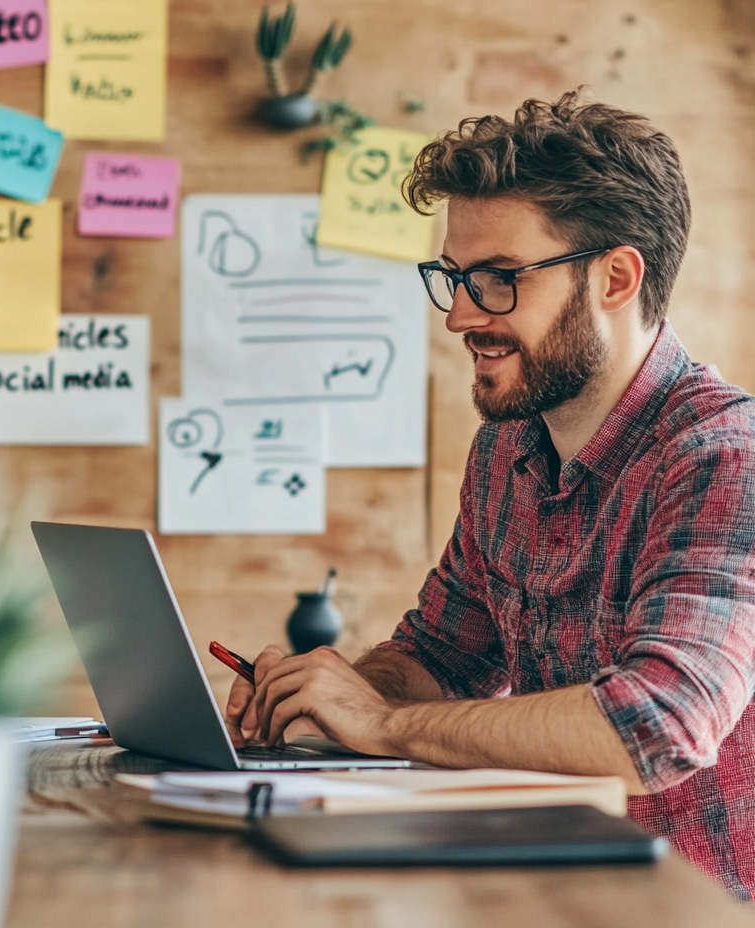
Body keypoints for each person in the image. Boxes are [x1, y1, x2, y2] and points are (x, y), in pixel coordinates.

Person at [226, 91, 755, 899]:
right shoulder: (505, 448)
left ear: (615, 278)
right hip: (543, 890)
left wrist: (384, 724)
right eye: (455, 278)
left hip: (696, 906)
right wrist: (329, 695)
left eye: (499, 279)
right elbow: (445, 657)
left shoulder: (723, 457)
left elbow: (660, 725)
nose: (460, 317)